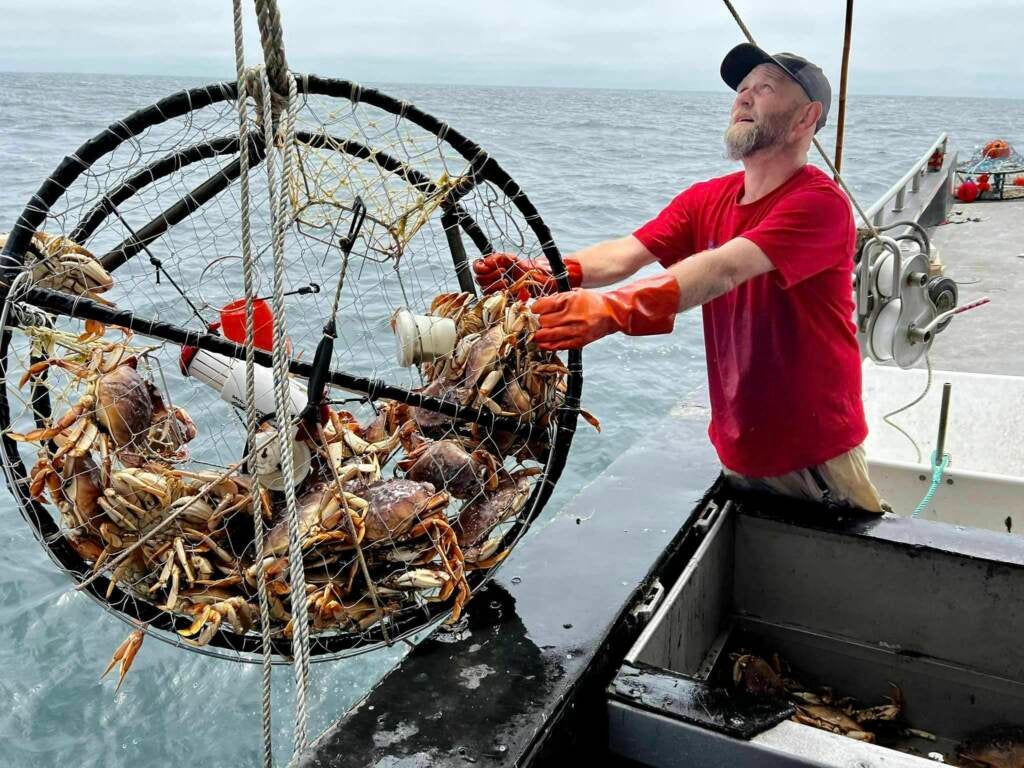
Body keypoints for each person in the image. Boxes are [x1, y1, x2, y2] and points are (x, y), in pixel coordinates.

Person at [473, 43, 885, 512]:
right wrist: (554, 274)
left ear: (806, 118)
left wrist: (612, 309)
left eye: (764, 88)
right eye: (741, 89)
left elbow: (724, 267)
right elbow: (627, 253)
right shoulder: (706, 198)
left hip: (814, 455)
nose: (744, 98)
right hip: (738, 444)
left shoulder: (820, 204)